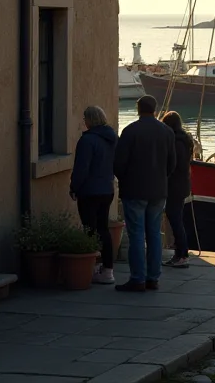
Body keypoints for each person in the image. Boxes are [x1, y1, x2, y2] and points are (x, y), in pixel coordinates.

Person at [113, 95, 177, 292]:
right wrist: (160, 178)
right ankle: (153, 278)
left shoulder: (130, 131)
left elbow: (119, 164)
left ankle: (138, 278)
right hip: (158, 190)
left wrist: (125, 179)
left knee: (137, 236)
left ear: (138, 109)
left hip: (134, 190)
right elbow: (171, 164)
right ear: (155, 110)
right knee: (155, 234)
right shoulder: (167, 132)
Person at [70, 105, 118, 285]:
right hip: (107, 189)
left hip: (89, 191)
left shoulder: (87, 141)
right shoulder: (112, 139)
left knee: (89, 229)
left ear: (90, 120)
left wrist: (74, 187)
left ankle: (90, 268)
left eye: (85, 118)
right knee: (103, 229)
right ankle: (107, 270)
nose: (84, 122)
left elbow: (81, 169)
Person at [161, 111, 194, 268]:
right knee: (175, 219)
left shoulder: (176, 142)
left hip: (175, 186)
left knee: (175, 220)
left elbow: (175, 165)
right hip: (180, 185)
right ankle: (179, 254)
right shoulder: (183, 140)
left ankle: (183, 254)